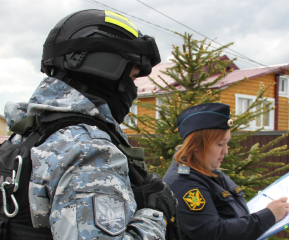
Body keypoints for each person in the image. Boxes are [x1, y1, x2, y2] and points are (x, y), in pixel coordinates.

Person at [2, 9, 177, 240]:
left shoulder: (27, 133)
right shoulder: (89, 151)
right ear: (106, 68)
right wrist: (155, 214)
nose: (133, 89)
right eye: (132, 77)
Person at [163, 103, 289, 240]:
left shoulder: (208, 170)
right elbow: (214, 233)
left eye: (227, 142)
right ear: (196, 145)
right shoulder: (183, 182)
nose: (225, 151)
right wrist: (268, 216)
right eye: (220, 144)